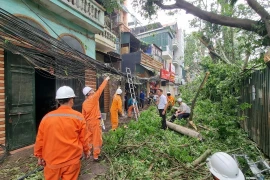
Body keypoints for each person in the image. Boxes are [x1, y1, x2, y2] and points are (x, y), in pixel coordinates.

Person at [34, 86, 90, 180]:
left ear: (58, 101)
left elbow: (40, 139)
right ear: (71, 100)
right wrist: (86, 151)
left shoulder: (46, 118)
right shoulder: (78, 117)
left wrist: (39, 156)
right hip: (71, 161)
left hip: (52, 162)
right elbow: (83, 138)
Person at [82, 76, 110, 161]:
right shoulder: (93, 98)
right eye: (91, 90)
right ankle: (96, 156)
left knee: (89, 138)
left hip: (88, 123)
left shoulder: (84, 103)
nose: (93, 90)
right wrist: (106, 80)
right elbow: (100, 90)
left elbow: (83, 115)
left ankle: (88, 153)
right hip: (95, 122)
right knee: (97, 139)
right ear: (89, 93)